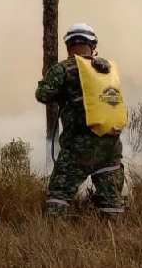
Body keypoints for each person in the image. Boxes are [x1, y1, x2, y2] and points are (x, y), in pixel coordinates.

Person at [35, 23, 128, 219]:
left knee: (59, 197)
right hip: (110, 147)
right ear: (92, 46)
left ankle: (51, 234)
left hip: (77, 148)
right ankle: (115, 235)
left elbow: (43, 94)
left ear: (68, 46)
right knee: (112, 201)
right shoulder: (107, 70)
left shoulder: (63, 69)